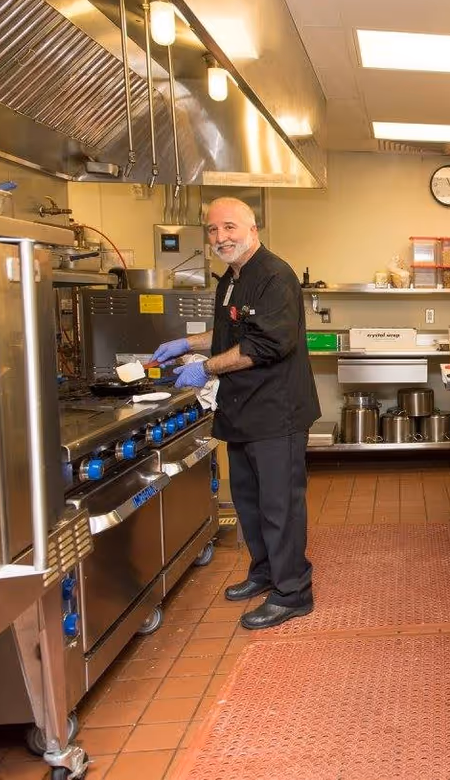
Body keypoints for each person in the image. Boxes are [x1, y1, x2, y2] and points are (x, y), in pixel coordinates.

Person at [151, 197, 320, 630]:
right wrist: (187, 345)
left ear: (252, 228)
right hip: (243, 409)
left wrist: (203, 369)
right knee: (249, 502)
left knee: (279, 505)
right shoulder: (232, 276)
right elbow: (231, 331)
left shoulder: (274, 276)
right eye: (212, 230)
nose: (220, 237)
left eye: (229, 227)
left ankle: (292, 592)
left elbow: (266, 344)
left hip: (276, 411)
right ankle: (265, 573)